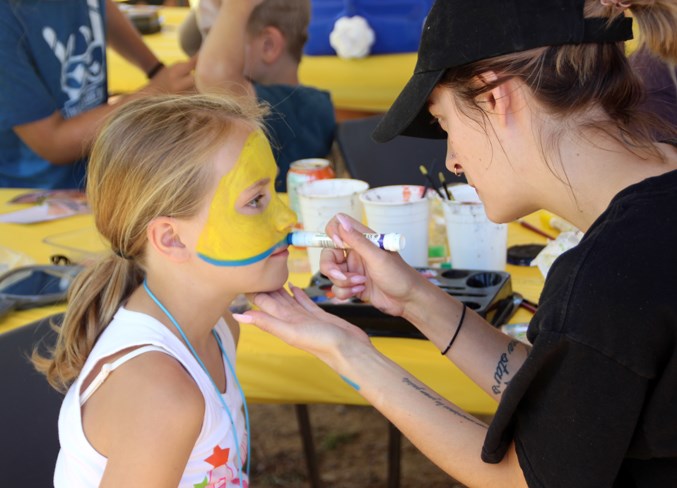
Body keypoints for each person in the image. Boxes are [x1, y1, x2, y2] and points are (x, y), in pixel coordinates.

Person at [232, 0, 677, 486]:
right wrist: (416, 298)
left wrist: (345, 350)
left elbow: (521, 477)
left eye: (444, 124)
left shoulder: (610, 274)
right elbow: (577, 398)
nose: (452, 161)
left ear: (494, 96)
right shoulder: (647, 222)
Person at [33, 93, 297, 486]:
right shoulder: (161, 396)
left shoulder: (220, 328)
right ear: (171, 239)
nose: (287, 217)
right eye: (256, 200)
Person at [0, 0, 195, 189]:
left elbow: (103, 9)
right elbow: (53, 142)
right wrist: (152, 93)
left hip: (96, 169)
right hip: (37, 193)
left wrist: (155, 69)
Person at [195, 0, 336, 191]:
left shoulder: (302, 107)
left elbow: (216, 75)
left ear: (268, 46)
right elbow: (189, 41)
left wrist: (236, 6)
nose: (206, 53)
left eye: (216, 35)